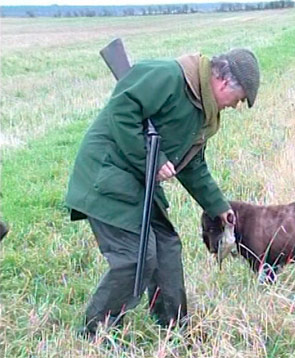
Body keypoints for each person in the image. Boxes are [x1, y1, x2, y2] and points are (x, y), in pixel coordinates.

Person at [65, 47, 260, 336]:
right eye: (239, 99)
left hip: (138, 184)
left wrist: (219, 206)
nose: (235, 106)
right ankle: (96, 332)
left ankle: (172, 326)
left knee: (166, 246)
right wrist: (153, 159)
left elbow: (193, 166)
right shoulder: (168, 76)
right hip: (106, 176)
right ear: (222, 83)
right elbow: (122, 107)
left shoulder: (201, 112)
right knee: (137, 257)